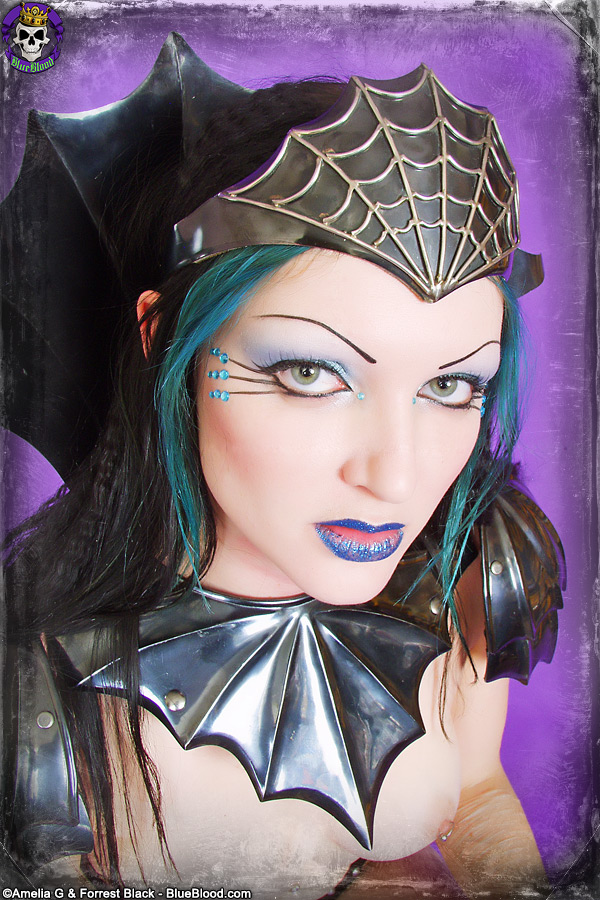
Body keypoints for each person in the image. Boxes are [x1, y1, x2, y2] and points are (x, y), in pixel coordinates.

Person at [2, 36, 564, 899]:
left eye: (452, 385)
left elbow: (477, 788)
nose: (397, 479)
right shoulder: (36, 694)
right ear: (164, 342)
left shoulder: (462, 580)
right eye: (309, 373)